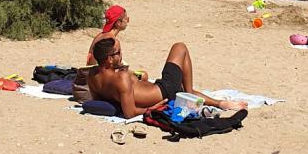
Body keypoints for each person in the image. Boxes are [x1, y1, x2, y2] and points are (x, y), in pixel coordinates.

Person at [87, 38, 247, 118]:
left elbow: (99, 101)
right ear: (109, 59)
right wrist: (153, 109)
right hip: (164, 90)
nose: (122, 55)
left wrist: (135, 82)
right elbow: (130, 113)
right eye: (118, 53)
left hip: (155, 89)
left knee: (180, 86)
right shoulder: (121, 77)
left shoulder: (92, 76)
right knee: (180, 47)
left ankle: (220, 103)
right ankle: (192, 94)